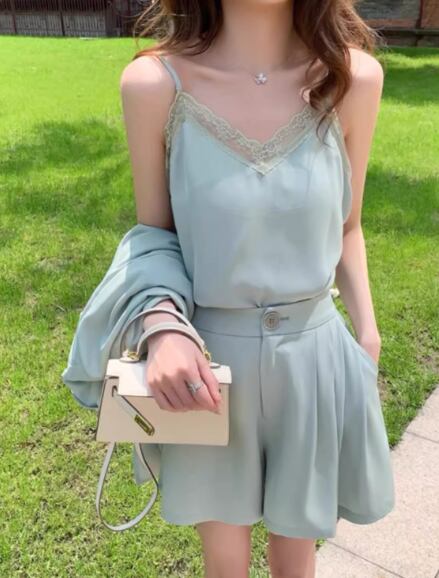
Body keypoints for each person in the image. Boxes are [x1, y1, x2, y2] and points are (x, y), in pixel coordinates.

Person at [119, 1, 395, 576]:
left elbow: (348, 225)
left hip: (315, 357)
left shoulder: (353, 79)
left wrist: (366, 334)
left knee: (298, 559)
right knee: (225, 564)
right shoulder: (155, 86)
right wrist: (163, 328)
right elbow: (154, 237)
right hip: (208, 368)